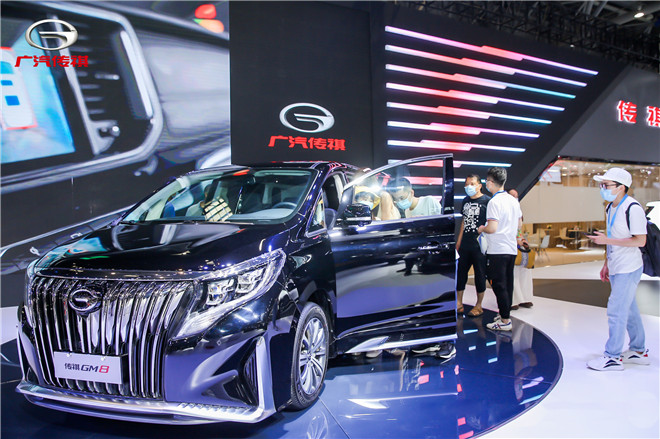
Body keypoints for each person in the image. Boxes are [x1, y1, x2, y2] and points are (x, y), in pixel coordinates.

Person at [585, 168, 649, 371]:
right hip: (616, 265)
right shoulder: (610, 207)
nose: (602, 188)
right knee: (629, 309)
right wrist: (607, 263)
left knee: (616, 311)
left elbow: (640, 241)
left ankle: (612, 357)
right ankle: (639, 350)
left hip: (629, 267)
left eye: (606, 185)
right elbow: (612, 237)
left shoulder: (633, 208)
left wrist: (606, 241)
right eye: (602, 185)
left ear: (621, 187)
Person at [477, 167, 522, 331]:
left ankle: (505, 321)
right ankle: (505, 314)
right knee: (507, 284)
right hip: (510, 248)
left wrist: (482, 228)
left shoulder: (494, 202)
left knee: (498, 285)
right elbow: (519, 224)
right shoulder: (513, 200)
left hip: (497, 249)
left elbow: (492, 228)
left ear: (490, 182)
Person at [456, 174, 491, 317]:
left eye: (472, 183)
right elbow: (464, 222)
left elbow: (491, 223)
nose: (468, 186)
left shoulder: (487, 201)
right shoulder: (465, 200)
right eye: (466, 184)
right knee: (461, 274)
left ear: (479, 185)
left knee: (479, 275)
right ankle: (459, 302)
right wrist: (459, 241)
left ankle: (479, 305)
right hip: (465, 244)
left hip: (479, 246)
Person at [511, 239, 534, 310]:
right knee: (513, 274)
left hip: (520, 248)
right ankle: (514, 300)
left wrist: (522, 240)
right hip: (508, 246)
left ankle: (525, 298)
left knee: (525, 273)